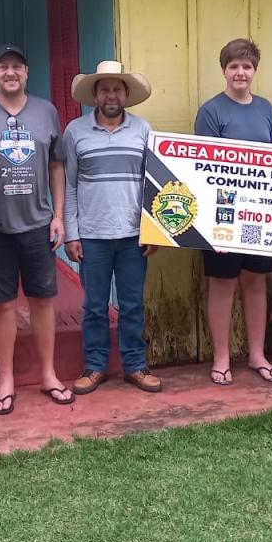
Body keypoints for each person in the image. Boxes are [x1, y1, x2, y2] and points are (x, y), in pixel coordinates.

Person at [0, 45, 71, 414]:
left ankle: (49, 375)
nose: (10, 73)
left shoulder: (47, 111)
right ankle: (6, 380)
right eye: (3, 67)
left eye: (17, 67)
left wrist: (58, 215)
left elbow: (57, 165)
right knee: (3, 305)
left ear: (27, 73)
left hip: (38, 222)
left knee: (43, 300)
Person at [63, 61, 163, 396]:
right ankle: (94, 367)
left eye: (116, 88)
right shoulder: (75, 131)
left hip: (134, 234)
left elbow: (154, 183)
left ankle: (136, 366)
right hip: (92, 235)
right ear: (94, 94)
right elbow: (71, 186)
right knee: (94, 305)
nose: (110, 94)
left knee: (133, 303)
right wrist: (71, 232)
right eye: (104, 88)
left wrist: (155, 229)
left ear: (126, 94)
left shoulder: (143, 129)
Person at [194, 38, 272, 386]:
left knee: (255, 281)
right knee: (222, 283)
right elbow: (202, 164)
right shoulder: (211, 110)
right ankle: (221, 358)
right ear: (224, 71)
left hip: (259, 214)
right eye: (234, 66)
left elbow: (270, 158)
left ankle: (257, 354)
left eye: (246, 66)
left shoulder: (265, 107)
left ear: (254, 70)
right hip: (222, 212)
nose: (240, 72)